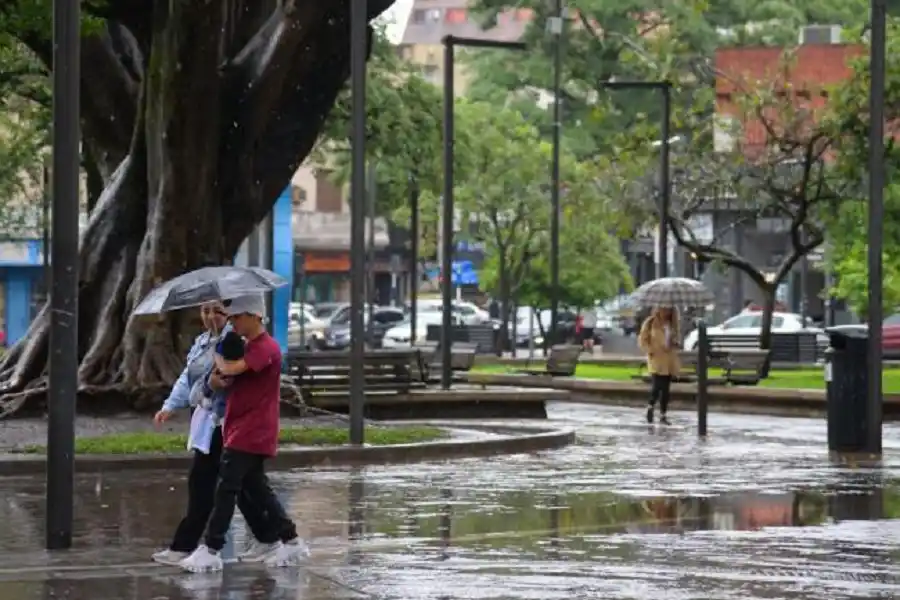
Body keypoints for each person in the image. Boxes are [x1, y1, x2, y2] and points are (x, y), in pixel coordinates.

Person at [180, 294, 307, 573]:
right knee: (259, 490)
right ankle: (290, 538)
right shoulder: (248, 346)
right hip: (238, 427)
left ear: (254, 316)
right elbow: (225, 379)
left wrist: (216, 350)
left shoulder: (265, 347)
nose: (232, 322)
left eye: (236, 317)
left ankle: (211, 547)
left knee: (227, 488)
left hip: (252, 430)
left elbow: (230, 368)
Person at [151, 301, 276, 566]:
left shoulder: (235, 344)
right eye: (205, 311)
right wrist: (171, 405)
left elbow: (231, 382)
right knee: (241, 486)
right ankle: (271, 538)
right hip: (208, 422)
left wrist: (210, 385)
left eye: (219, 311)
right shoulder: (202, 342)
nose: (211, 317)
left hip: (227, 423)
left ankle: (197, 547)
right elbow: (188, 377)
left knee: (212, 484)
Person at [637, 307, 680, 425]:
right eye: (664, 309)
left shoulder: (672, 324)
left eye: (669, 310)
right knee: (657, 385)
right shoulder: (650, 322)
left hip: (668, 359)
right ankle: (650, 407)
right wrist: (650, 350)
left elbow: (676, 339)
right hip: (656, 358)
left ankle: (663, 415)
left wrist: (675, 342)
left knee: (666, 388)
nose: (666, 312)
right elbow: (642, 340)